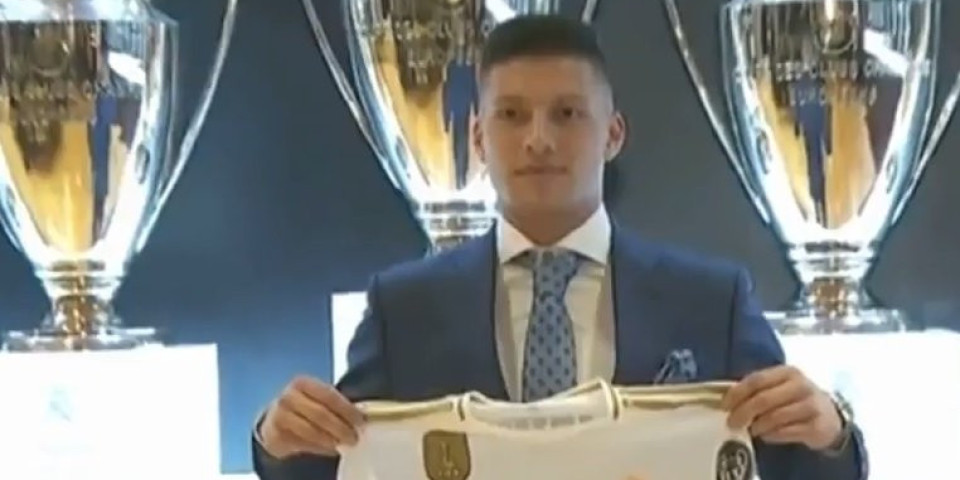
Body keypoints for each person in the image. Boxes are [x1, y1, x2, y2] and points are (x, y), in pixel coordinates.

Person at [251, 15, 867, 480]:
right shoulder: (402, 309)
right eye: (512, 115)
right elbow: (334, 464)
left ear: (613, 134)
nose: (538, 140)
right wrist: (274, 441)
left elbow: (793, 464)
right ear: (478, 138)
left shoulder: (712, 301)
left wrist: (831, 433)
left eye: (567, 113)